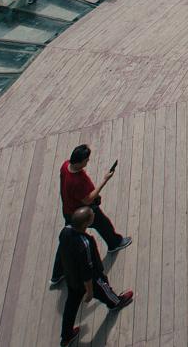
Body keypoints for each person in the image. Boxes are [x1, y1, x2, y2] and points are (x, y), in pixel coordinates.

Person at [56, 205, 132, 344]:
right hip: (88, 279)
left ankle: (66, 336)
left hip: (72, 277)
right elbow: (87, 271)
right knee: (104, 289)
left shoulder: (65, 232)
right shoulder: (84, 243)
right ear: (86, 224)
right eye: (91, 215)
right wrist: (90, 291)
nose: (93, 215)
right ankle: (115, 303)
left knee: (71, 306)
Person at [59, 144, 130, 253]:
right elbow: (87, 199)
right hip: (81, 212)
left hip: (68, 210)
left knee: (70, 236)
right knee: (104, 225)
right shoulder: (76, 182)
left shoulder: (65, 165)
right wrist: (105, 180)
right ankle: (114, 244)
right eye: (86, 160)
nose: (87, 162)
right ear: (79, 162)